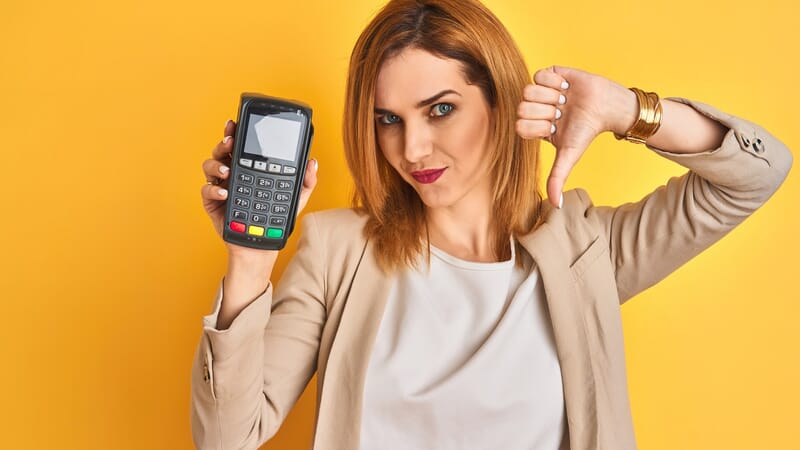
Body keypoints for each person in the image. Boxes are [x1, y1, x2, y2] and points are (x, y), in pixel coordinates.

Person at [191, 0, 792, 448]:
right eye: (388, 119)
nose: (412, 149)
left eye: (440, 109)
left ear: (500, 101)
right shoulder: (336, 251)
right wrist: (249, 259)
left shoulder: (587, 252)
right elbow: (226, 438)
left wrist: (628, 109)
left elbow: (758, 173)